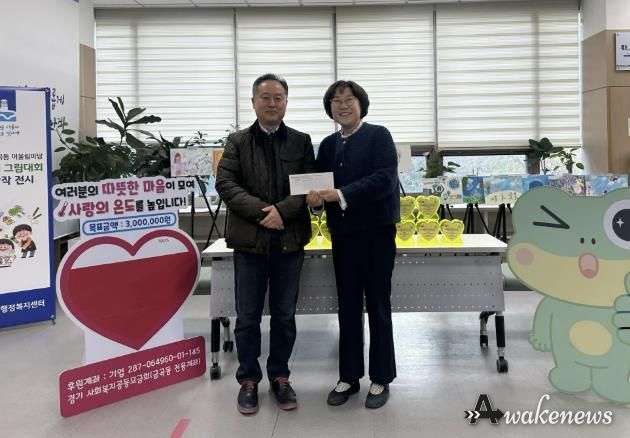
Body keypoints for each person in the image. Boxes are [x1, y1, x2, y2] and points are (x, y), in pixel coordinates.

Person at [215, 73, 315, 415]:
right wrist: (265, 213)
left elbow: (308, 186)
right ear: (254, 102)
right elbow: (226, 184)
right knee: (247, 317)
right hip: (250, 244)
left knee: (285, 316)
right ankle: (248, 380)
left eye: (278, 98)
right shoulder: (237, 142)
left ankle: (280, 377)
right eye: (265, 97)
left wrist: (282, 212)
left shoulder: (301, 141)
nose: (272, 103)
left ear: (286, 102)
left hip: (289, 241)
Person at [306, 80, 400, 409]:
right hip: (343, 236)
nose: (342, 105)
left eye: (349, 99)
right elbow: (319, 187)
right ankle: (348, 376)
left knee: (377, 304)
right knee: (346, 306)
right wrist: (316, 202)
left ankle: (381, 377)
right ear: (329, 108)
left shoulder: (379, 136)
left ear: (361, 104)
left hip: (376, 234)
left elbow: (385, 179)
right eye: (336, 101)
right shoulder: (327, 145)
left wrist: (341, 194)